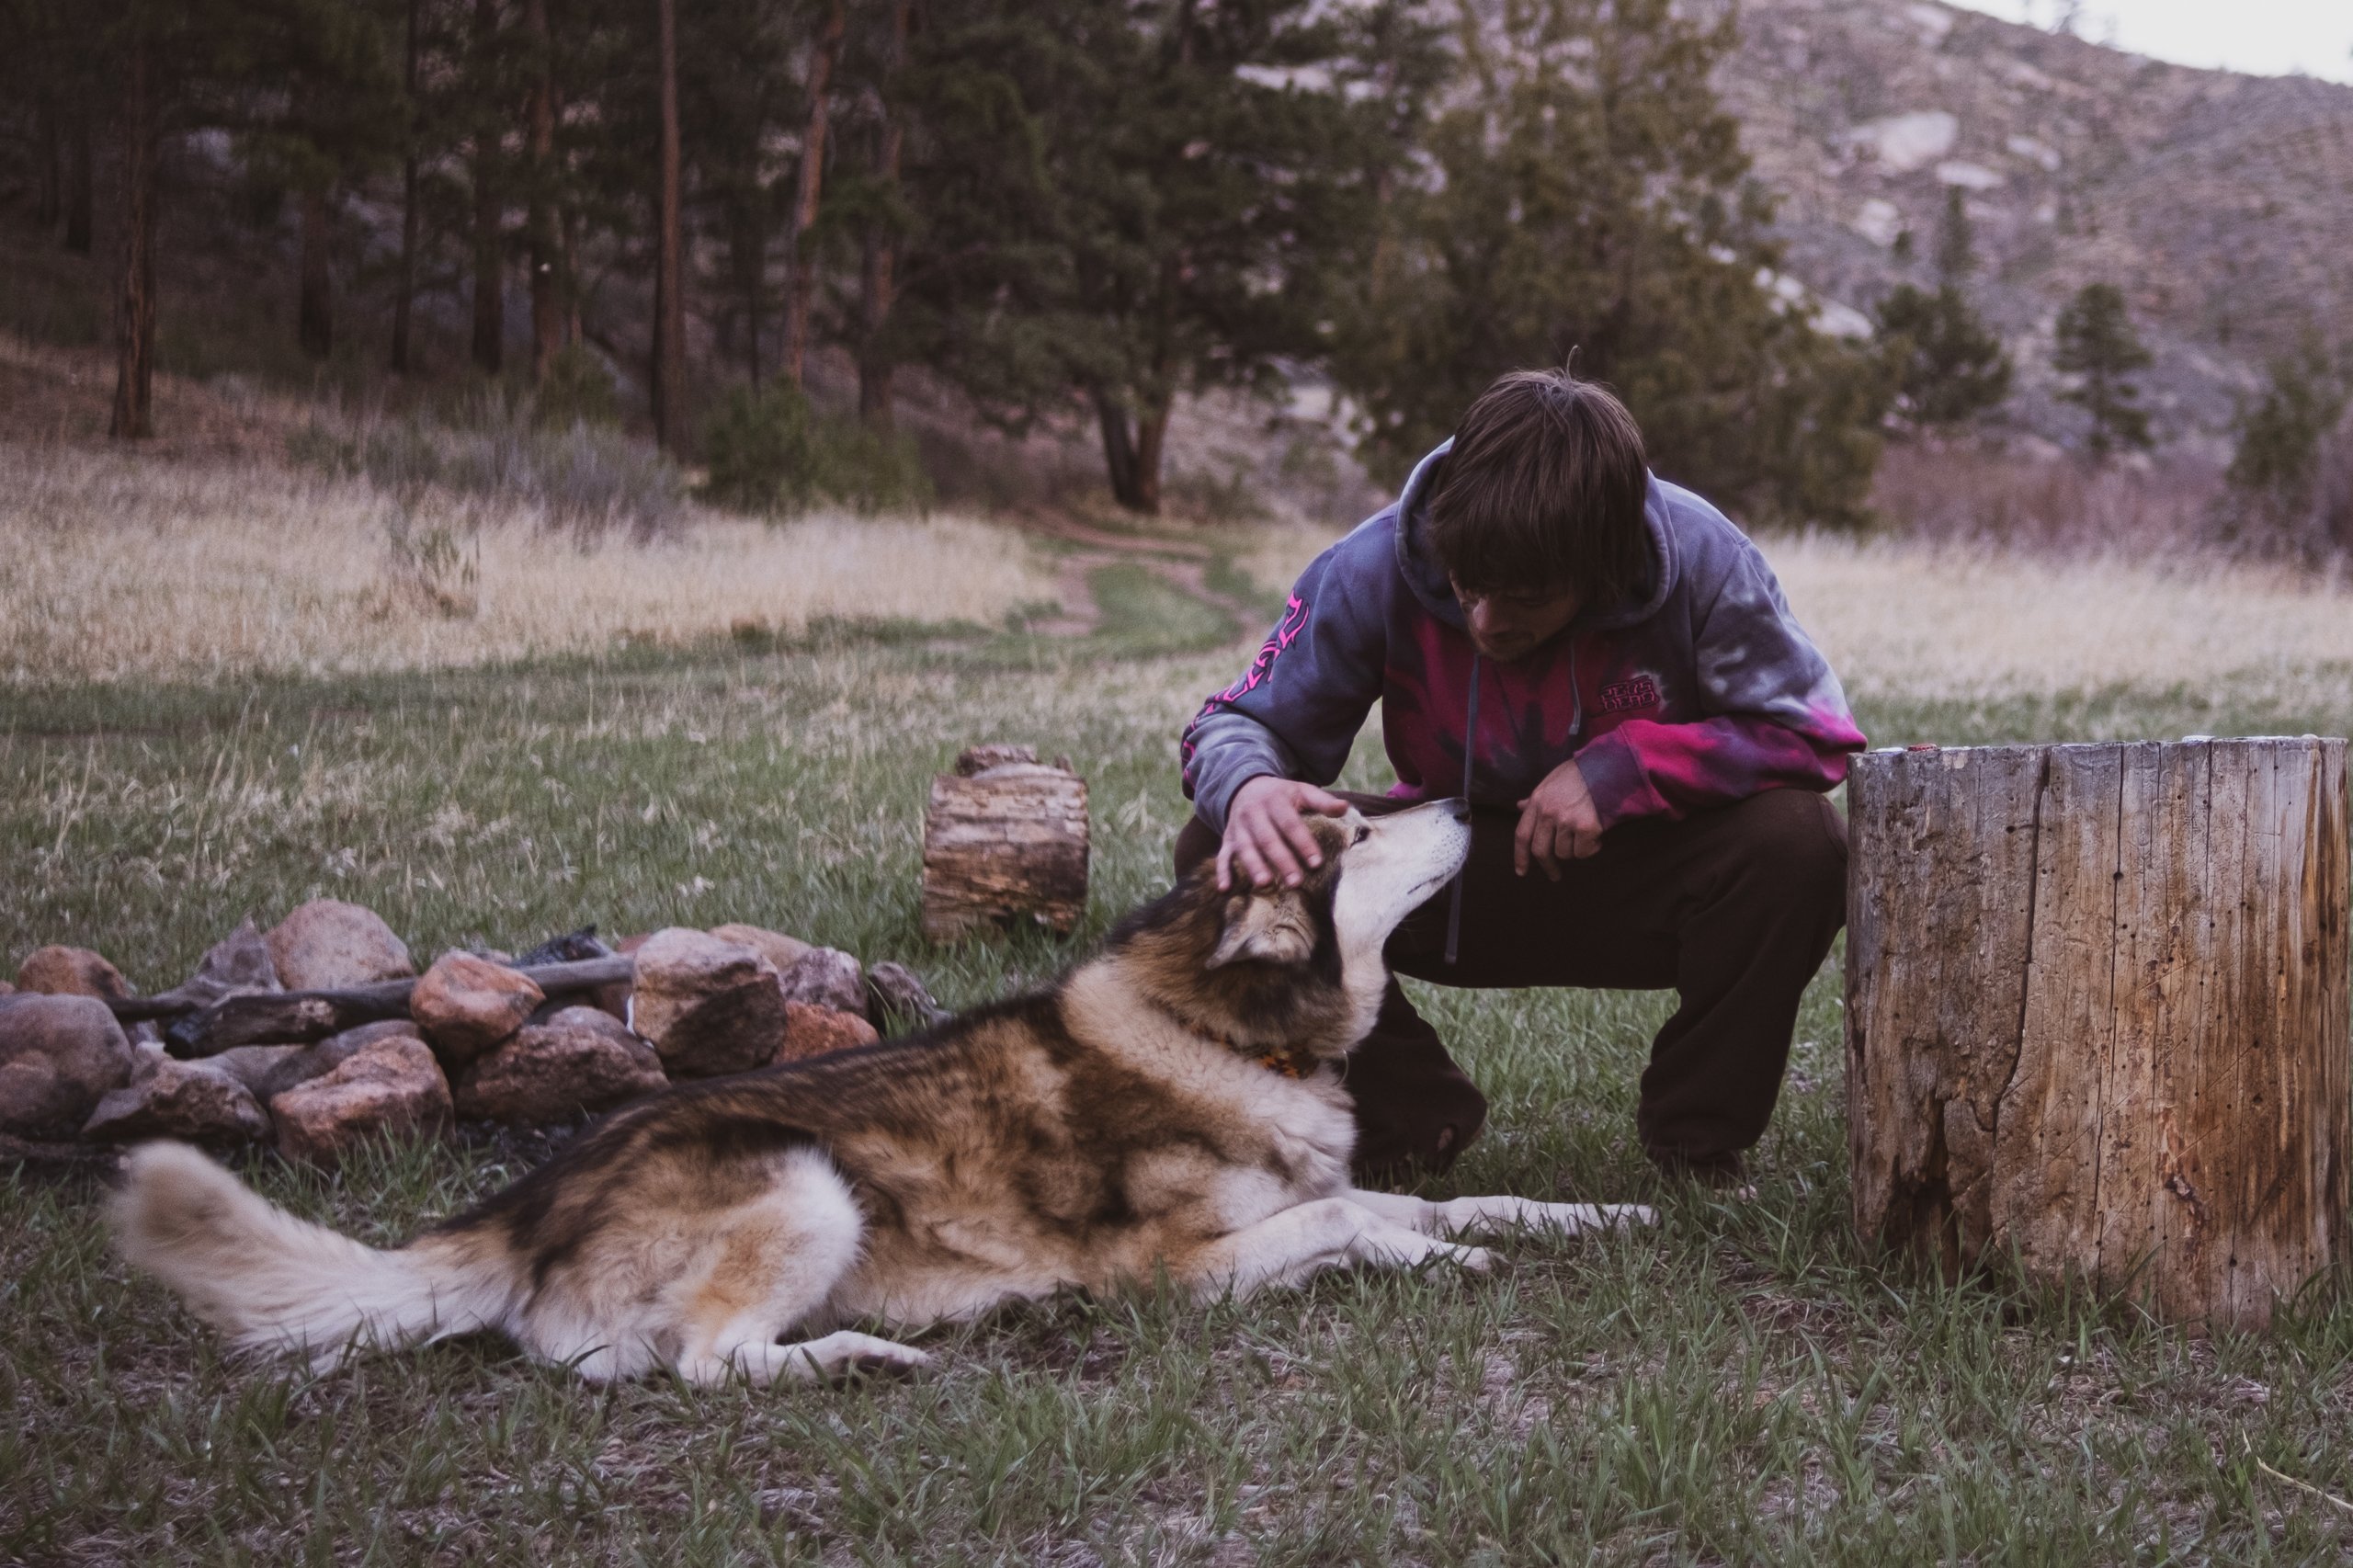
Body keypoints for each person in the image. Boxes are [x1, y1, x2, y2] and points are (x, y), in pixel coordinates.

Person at [1175, 368, 1863, 1186]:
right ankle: (1408, 1119)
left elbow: (1816, 736)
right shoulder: (1372, 562)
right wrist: (1251, 786)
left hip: (1647, 880)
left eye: (1528, 597)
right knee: (1223, 845)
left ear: (1603, 567)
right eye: (1469, 586)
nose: (1487, 622)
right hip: (1455, 877)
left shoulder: (1702, 557)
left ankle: (1696, 1142)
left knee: (1800, 843)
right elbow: (1236, 722)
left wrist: (1626, 768)